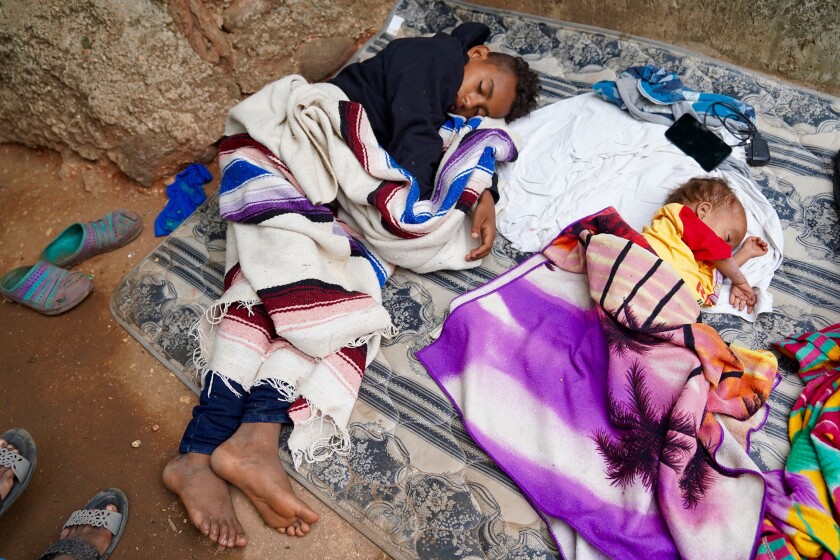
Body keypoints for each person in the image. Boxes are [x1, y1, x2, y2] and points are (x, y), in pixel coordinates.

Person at [162, 23, 540, 548]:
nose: (468, 103)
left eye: (480, 109)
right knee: (301, 285)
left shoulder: (447, 93)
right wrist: (439, 203)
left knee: (330, 296)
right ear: (476, 54)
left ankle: (243, 440)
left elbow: (463, 145)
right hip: (292, 141)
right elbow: (415, 137)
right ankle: (206, 451)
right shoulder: (433, 58)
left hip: (330, 188)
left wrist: (483, 188)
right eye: (480, 89)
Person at [641, 177, 768, 313]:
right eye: (727, 238)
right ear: (703, 211)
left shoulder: (695, 263)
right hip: (642, 267)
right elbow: (718, 254)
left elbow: (717, 273)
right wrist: (740, 281)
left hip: (662, 306)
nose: (725, 251)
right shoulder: (678, 216)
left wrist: (746, 252)